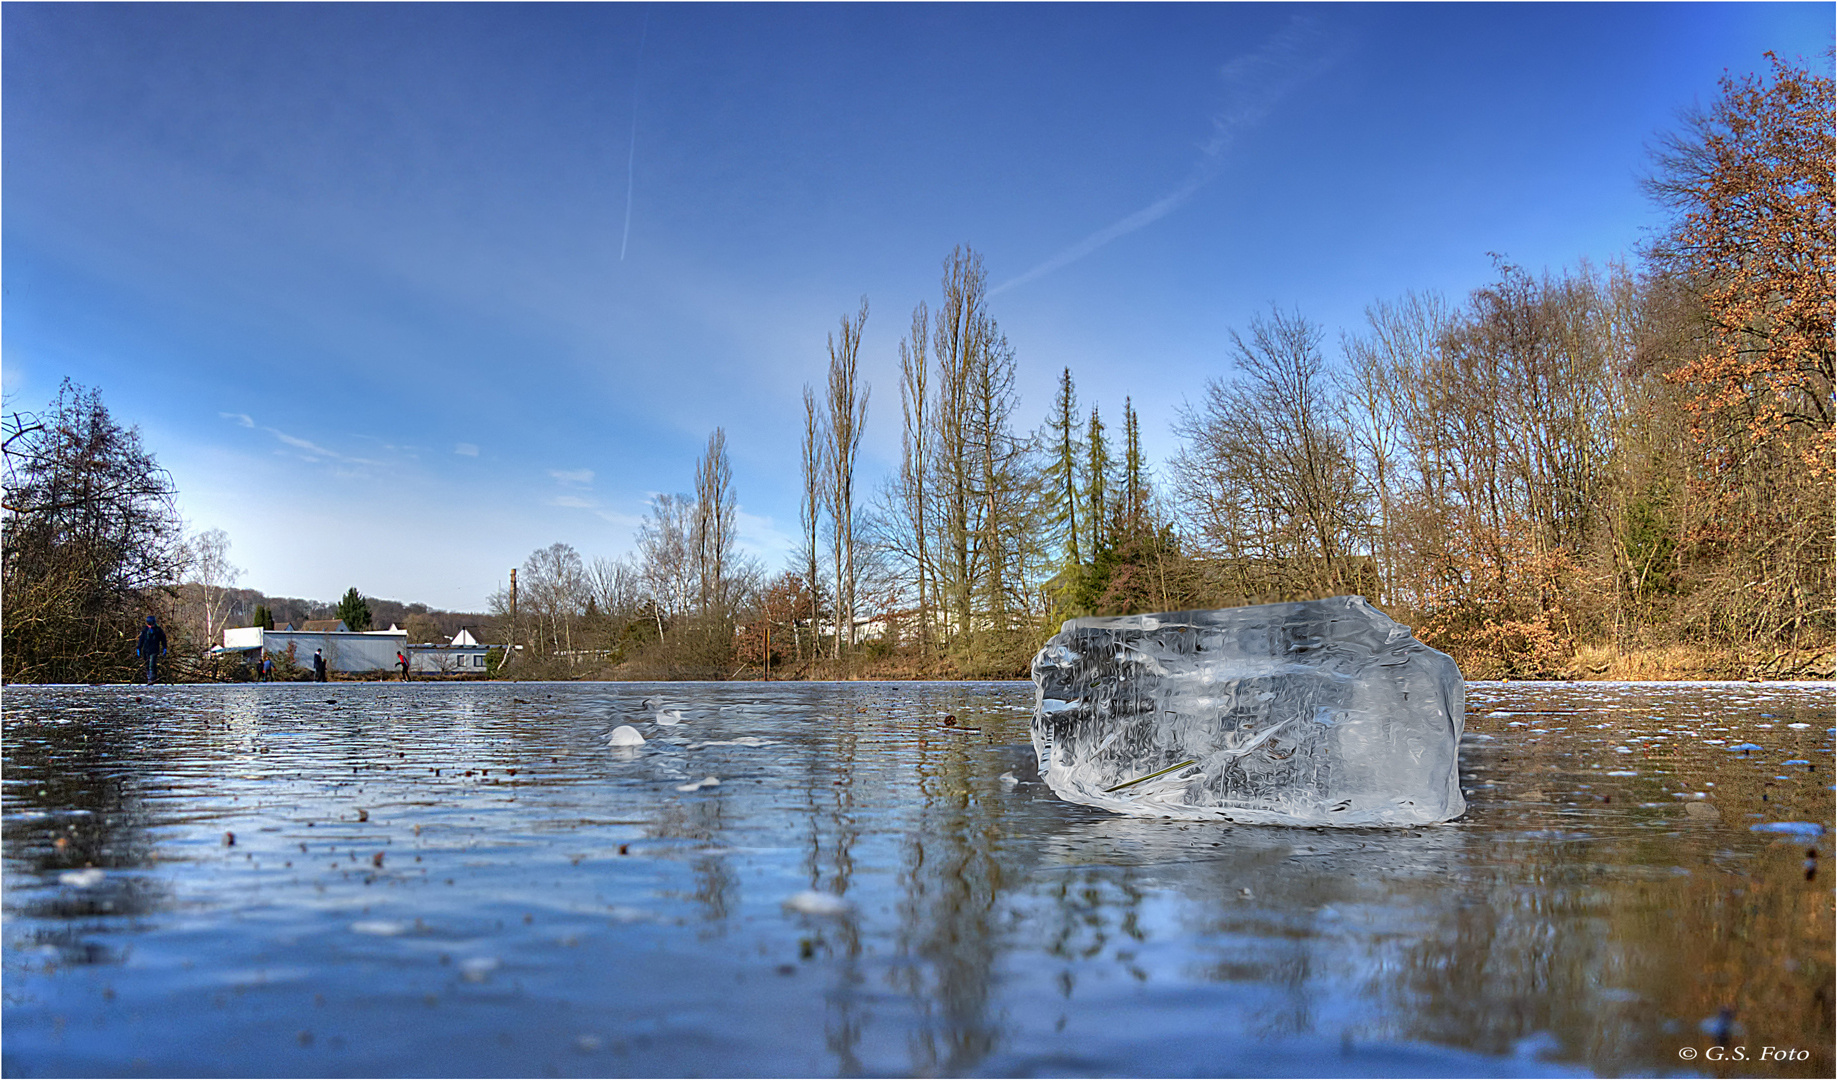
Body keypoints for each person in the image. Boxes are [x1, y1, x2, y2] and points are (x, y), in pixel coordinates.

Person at [135, 615, 168, 685]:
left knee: (152, 664)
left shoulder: (158, 630)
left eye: (151, 624)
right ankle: (149, 678)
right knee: (147, 665)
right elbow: (141, 639)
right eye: (149, 624)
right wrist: (138, 648)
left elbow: (163, 640)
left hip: (154, 650)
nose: (150, 626)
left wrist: (164, 648)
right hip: (146, 650)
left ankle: (152, 679)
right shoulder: (145, 630)